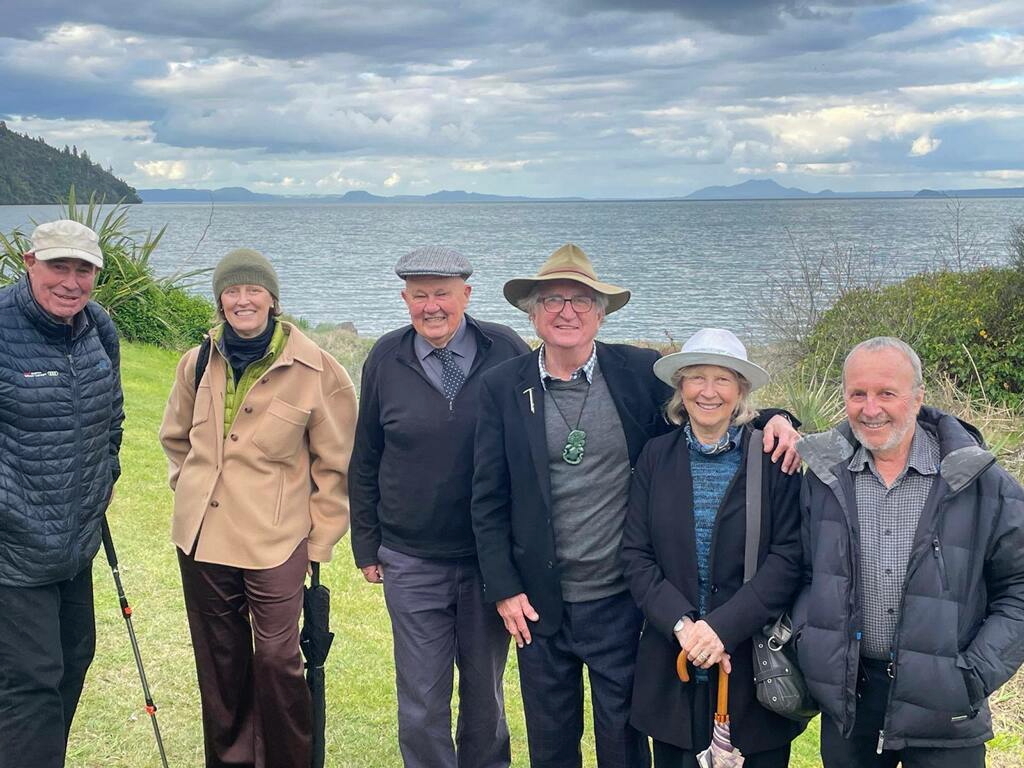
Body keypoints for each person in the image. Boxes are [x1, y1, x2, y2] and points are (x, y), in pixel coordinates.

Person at [470, 243, 801, 768]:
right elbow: (486, 496)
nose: (567, 312)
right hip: (539, 599)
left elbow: (711, 397)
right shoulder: (501, 387)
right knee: (551, 741)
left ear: (601, 314)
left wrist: (778, 419)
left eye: (581, 302)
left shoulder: (636, 371)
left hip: (620, 598)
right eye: (552, 300)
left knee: (622, 740)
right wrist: (505, 588)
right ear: (531, 313)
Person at [159, 248, 357, 768]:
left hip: (276, 540)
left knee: (276, 658)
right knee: (220, 662)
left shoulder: (318, 369)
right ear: (220, 299)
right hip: (202, 538)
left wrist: (320, 540)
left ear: (273, 299)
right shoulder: (197, 360)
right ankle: (230, 760)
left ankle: (289, 759)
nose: (242, 300)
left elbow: (336, 466)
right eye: (232, 290)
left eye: (254, 290)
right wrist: (189, 494)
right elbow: (176, 439)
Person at [795, 336, 1024, 768]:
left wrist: (971, 676)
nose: (870, 408)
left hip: (946, 705)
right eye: (857, 393)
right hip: (850, 701)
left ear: (918, 398)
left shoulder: (979, 480)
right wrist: (812, 645)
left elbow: (1019, 586)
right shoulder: (824, 477)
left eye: (887, 393)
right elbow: (807, 574)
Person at [349, 246, 529, 768]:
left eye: (443, 294)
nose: (432, 306)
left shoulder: (506, 348)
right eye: (420, 295)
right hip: (410, 558)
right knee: (422, 699)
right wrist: (366, 542)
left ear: (466, 296)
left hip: (487, 561)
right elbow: (366, 455)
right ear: (405, 299)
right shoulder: (386, 356)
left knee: (484, 695)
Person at [620, 328, 805, 768]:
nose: (708, 391)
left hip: (752, 672)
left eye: (722, 379)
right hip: (673, 666)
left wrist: (721, 628)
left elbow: (789, 556)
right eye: (697, 378)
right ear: (680, 387)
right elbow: (636, 555)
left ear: (740, 391)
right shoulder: (654, 456)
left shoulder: (773, 458)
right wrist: (684, 627)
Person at [0, 219, 124, 768]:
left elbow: (112, 418)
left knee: (74, 660)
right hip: (12, 552)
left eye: (83, 270)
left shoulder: (99, 327)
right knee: (31, 683)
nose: (71, 282)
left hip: (76, 544)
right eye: (58, 266)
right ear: (29, 263)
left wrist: (104, 479)